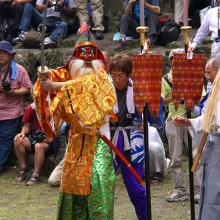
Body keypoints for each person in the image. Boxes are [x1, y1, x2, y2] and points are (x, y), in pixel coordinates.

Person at [34, 21, 117, 219]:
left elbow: (86, 86)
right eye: (83, 55)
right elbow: (57, 78)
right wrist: (44, 77)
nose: (87, 60)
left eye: (91, 54)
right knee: (72, 188)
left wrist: (55, 85)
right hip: (76, 141)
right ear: (74, 59)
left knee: (98, 181)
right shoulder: (68, 76)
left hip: (98, 140)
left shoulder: (103, 78)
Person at [173, 56, 220, 220]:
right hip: (214, 144)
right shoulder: (214, 91)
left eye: (209, 73)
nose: (208, 77)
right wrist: (190, 121)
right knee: (211, 187)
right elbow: (208, 117)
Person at [161, 48, 203, 203]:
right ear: (170, 61)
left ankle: (198, 191)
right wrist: (175, 97)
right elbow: (161, 100)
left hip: (191, 119)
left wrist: (193, 102)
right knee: (175, 157)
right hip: (173, 118)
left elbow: (202, 97)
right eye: (174, 58)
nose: (177, 61)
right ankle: (179, 190)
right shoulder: (166, 79)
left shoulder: (192, 77)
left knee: (195, 156)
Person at [0, 40, 32, 174]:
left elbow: (27, 88)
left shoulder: (18, 70)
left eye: (4, 53)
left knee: (5, 139)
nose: (1, 55)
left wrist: (12, 92)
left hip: (11, 111)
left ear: (11, 55)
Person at [14, 102, 61, 186]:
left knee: (38, 146)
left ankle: (36, 175)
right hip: (36, 136)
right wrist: (23, 133)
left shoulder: (56, 106)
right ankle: (23, 168)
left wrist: (50, 139)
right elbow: (26, 126)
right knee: (18, 140)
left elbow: (58, 131)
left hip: (52, 139)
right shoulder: (32, 107)